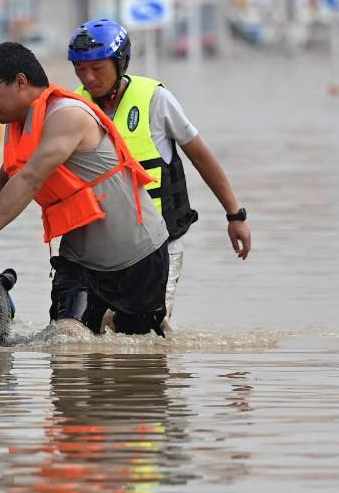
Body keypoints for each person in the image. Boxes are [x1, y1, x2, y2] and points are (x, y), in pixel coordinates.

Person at [0, 42, 170, 335]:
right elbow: (6, 177)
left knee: (139, 358)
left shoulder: (66, 115)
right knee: (66, 341)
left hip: (136, 257)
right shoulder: (17, 124)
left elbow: (29, 179)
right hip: (79, 262)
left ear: (20, 82)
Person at [68, 18, 251, 325]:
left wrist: (235, 215)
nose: (88, 78)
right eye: (79, 68)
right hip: (99, 241)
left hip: (158, 242)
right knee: (85, 334)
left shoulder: (156, 100)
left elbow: (202, 158)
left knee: (145, 336)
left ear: (120, 62)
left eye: (97, 68)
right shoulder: (74, 107)